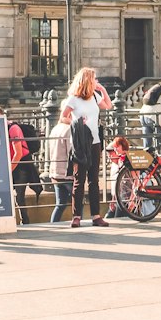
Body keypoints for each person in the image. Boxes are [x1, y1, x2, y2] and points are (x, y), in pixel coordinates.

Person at [60, 66, 113, 228]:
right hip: (81, 143)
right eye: (94, 79)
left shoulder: (95, 97)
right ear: (86, 81)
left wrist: (102, 89)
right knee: (79, 180)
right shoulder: (73, 99)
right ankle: (76, 216)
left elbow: (108, 106)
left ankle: (96, 216)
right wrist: (76, 122)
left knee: (94, 180)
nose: (95, 81)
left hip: (95, 142)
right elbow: (63, 118)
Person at [46, 112, 73, 224]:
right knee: (78, 203)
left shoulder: (55, 129)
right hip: (67, 172)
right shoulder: (69, 130)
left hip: (56, 171)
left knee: (60, 204)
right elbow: (71, 152)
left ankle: (53, 225)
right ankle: (80, 225)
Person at [140, 77, 161, 152]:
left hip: (143, 114)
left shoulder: (155, 89)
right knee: (160, 140)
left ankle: (147, 160)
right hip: (154, 117)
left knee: (147, 143)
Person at [105, 136, 130, 219]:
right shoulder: (114, 166)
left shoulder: (125, 162)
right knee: (108, 218)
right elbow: (116, 185)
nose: (109, 156)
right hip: (117, 198)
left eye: (111, 153)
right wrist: (113, 200)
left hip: (125, 198)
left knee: (118, 218)